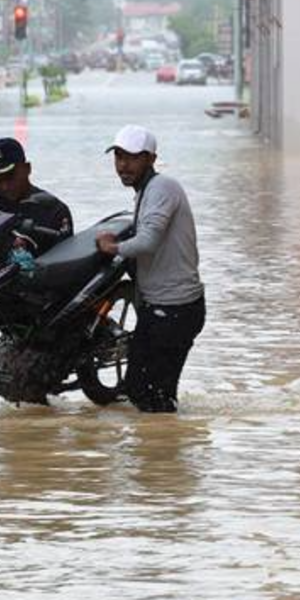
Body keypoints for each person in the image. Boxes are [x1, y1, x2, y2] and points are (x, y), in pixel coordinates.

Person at [94, 125, 205, 413]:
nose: (123, 165)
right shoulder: (146, 191)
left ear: (151, 159)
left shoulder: (162, 188)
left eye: (132, 158)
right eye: (118, 157)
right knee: (146, 392)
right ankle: (164, 450)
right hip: (163, 308)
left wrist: (113, 248)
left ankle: (163, 452)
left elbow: (148, 241)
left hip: (175, 309)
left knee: (147, 392)